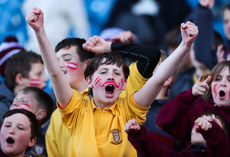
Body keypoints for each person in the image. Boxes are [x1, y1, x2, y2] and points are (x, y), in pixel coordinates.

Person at [26, 7, 198, 156]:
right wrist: (39, 32)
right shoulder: (76, 109)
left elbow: (159, 77)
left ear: (123, 85)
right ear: (90, 81)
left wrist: (185, 45)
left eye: (116, 73)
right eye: (103, 71)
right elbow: (55, 73)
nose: (110, 76)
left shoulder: (129, 109)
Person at [46, 25, 161, 157]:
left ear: (88, 64)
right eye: (57, 61)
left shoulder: (125, 83)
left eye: (66, 59)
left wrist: (110, 46)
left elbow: (151, 56)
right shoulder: (58, 115)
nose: (60, 65)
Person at [157, 60, 230, 147]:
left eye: (229, 80)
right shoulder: (198, 107)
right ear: (210, 85)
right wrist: (190, 94)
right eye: (218, 79)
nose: (222, 83)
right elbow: (163, 121)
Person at [125, 112, 230, 157]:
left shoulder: (222, 153)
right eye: (201, 119)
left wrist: (211, 129)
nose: (202, 122)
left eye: (212, 121)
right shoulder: (183, 154)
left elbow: (220, 150)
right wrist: (137, 134)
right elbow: (157, 154)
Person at [0, 51, 47, 123]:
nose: (45, 79)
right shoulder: (2, 111)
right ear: (20, 79)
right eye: (38, 74)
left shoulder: (44, 102)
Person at [10, 86, 54, 157]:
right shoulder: (2, 134)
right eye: (14, 101)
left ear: (40, 114)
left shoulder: (47, 146)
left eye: (23, 101)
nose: (15, 104)